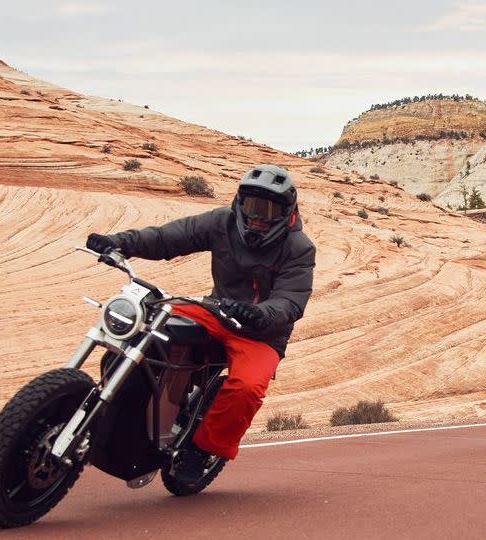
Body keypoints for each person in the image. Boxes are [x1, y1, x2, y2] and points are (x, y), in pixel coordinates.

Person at [86, 164, 315, 484]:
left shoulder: (299, 247)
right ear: (239, 202)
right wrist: (121, 242)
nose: (257, 217)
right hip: (215, 312)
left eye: (268, 209)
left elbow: (291, 300)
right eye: (251, 206)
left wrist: (260, 314)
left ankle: (203, 449)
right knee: (149, 325)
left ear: (284, 212)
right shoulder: (221, 222)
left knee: (247, 388)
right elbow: (169, 238)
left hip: (262, 334)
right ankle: (126, 415)